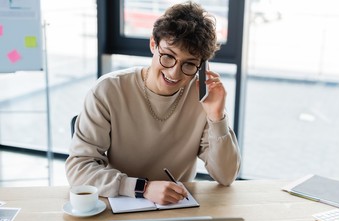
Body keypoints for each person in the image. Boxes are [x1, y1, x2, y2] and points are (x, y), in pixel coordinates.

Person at [65, 1, 241, 205]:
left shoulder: (203, 98)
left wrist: (216, 116)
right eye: (168, 56)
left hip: (176, 207)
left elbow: (226, 176)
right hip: (119, 202)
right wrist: (142, 188)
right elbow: (79, 168)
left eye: (189, 64)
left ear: (201, 66)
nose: (174, 73)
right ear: (153, 45)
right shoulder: (109, 90)